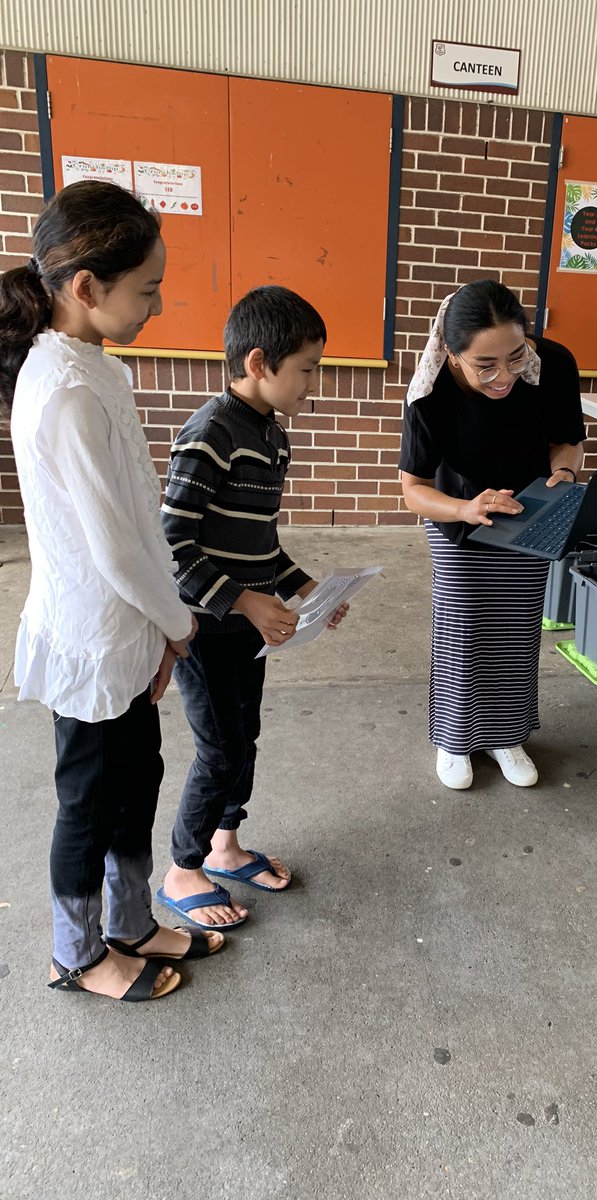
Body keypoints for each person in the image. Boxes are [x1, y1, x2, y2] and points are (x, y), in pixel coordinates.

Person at [0, 180, 219, 1003]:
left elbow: (134, 522)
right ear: (87, 288)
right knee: (88, 802)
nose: (157, 305)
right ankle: (77, 953)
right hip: (94, 636)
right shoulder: (64, 391)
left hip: (130, 629)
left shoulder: (92, 367)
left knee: (136, 779)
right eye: (147, 289)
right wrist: (179, 625)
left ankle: (128, 921)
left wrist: (159, 627)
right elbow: (116, 549)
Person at [157, 286, 348, 930]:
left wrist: (305, 588)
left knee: (244, 736)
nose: (313, 385)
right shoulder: (210, 433)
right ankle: (183, 868)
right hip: (206, 627)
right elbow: (171, 541)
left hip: (248, 629)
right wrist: (242, 600)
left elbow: (261, 543)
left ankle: (225, 845)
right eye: (307, 370)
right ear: (260, 362)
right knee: (220, 749)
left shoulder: (272, 436)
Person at [399, 279, 586, 791]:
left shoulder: (554, 365)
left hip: (530, 512)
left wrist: (564, 474)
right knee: (463, 630)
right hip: (458, 516)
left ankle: (506, 735)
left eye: (515, 357)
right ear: (453, 354)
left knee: (516, 631)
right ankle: (455, 739)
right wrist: (464, 508)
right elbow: (413, 490)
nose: (504, 376)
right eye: (485, 365)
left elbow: (567, 440)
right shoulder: (431, 391)